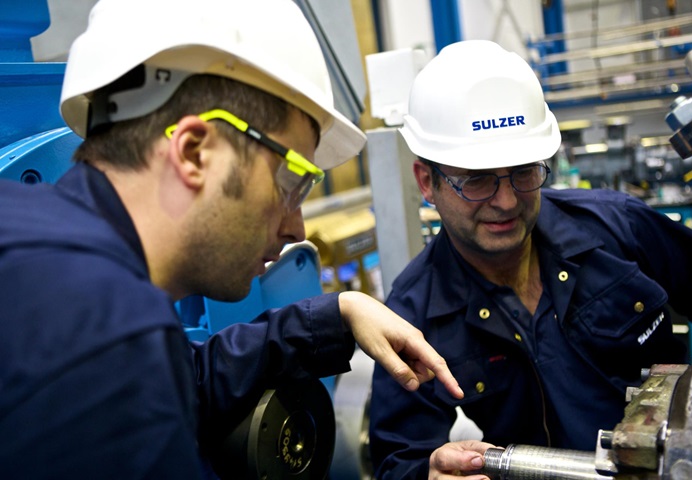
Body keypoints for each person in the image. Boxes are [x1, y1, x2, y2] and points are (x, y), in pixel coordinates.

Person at [0, 1, 466, 478]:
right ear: (195, 153)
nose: (297, 229)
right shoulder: (107, 335)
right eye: (292, 182)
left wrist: (337, 314)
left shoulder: (56, 276)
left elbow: (188, 378)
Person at [369, 39, 692, 479]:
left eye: (523, 171)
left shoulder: (618, 227)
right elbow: (397, 461)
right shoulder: (413, 315)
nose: (506, 201)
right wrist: (430, 472)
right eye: (477, 181)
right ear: (427, 182)